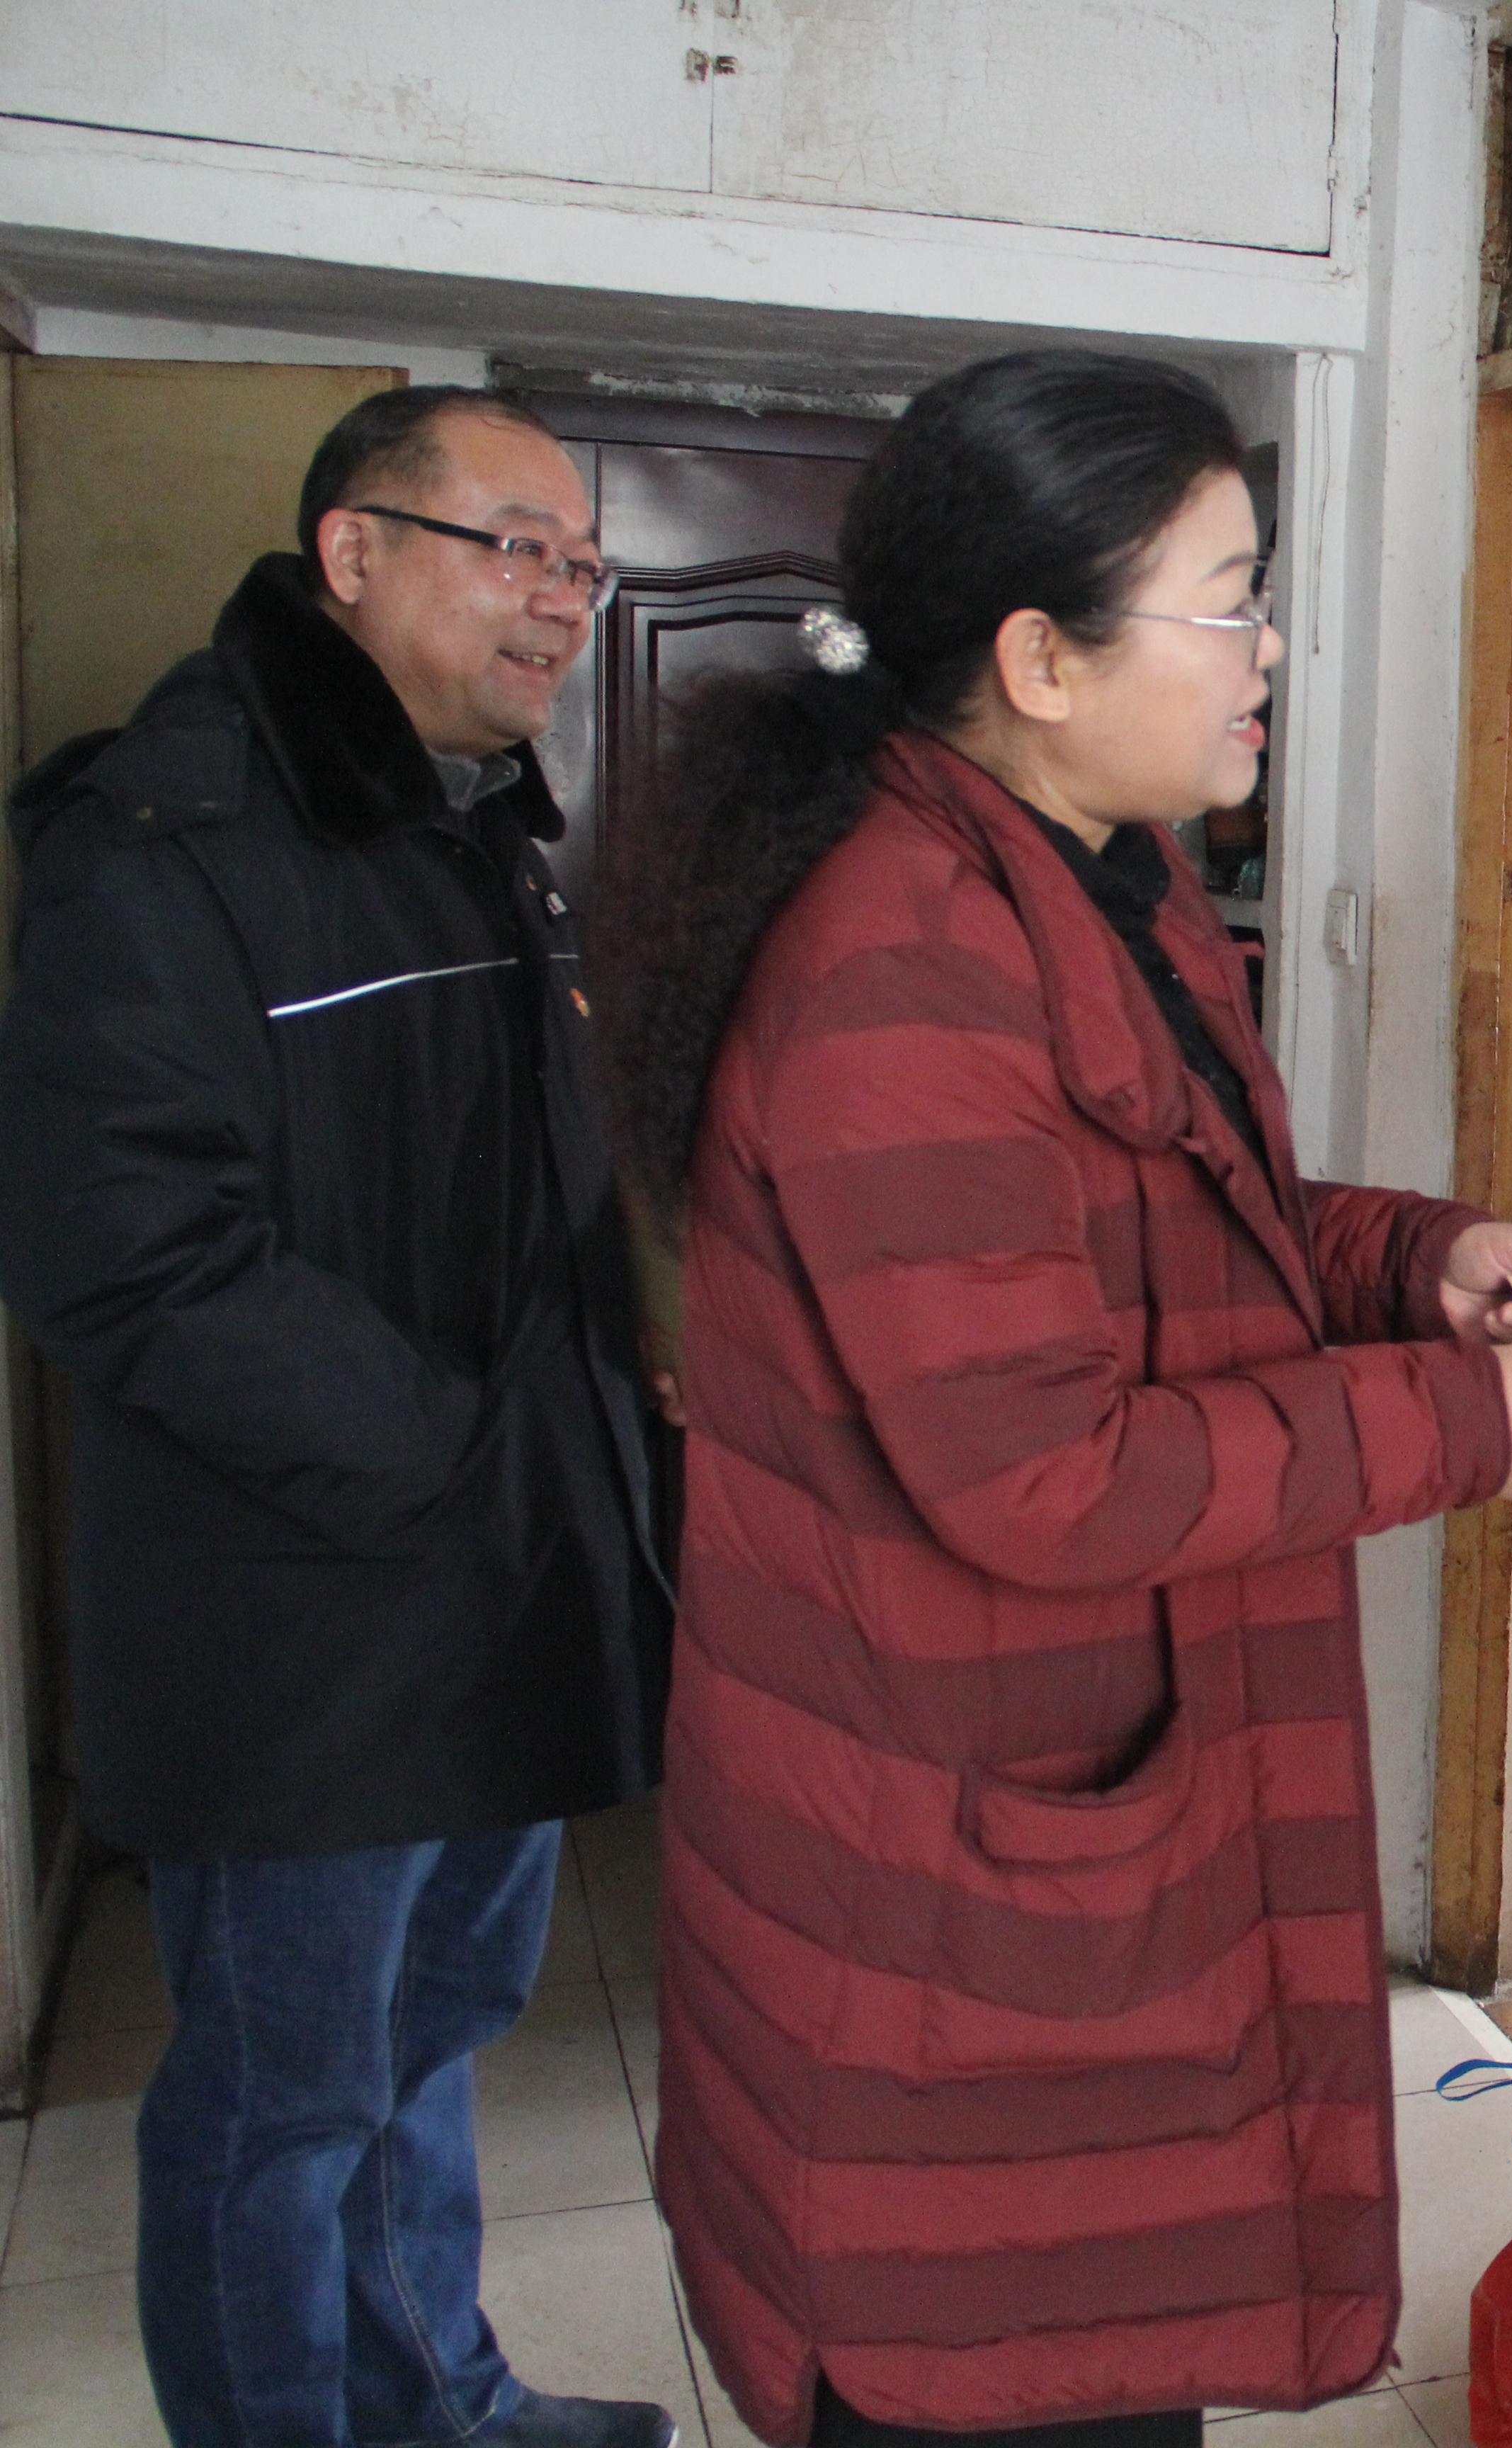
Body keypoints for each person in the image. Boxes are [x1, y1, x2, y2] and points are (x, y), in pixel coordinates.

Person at [588, 351, 1512, 2448]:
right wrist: (1466, 1425)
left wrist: (1419, 1261)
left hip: (1057, 1811)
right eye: (1231, 602)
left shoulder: (1095, 878)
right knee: (1008, 2378)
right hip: (959, 1869)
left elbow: (1171, 1224)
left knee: (1103, 2361)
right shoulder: (901, 962)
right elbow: (1045, 1469)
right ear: (1040, 659)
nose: (1270, 655)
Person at [0, 390, 679, 2447]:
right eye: (514, 547)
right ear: (352, 552)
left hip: (498, 1579)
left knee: (435, 2031)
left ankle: (436, 2400)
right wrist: (445, 1455)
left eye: (582, 563)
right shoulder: (173, 841)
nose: (560, 599)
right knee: (279, 2102)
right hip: (305, 1614)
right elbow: (123, 1251)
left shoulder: (483, 832)